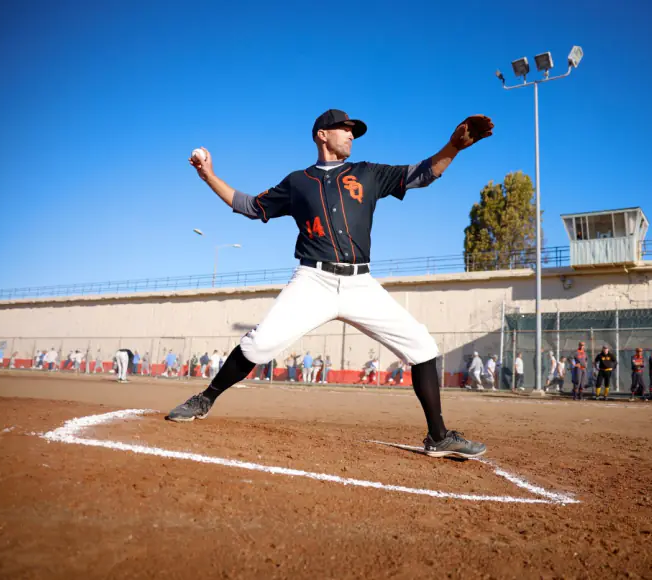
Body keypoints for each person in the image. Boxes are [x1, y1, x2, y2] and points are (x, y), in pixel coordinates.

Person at [165, 109, 491, 458]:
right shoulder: (297, 181)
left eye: (354, 131)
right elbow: (248, 205)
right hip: (313, 280)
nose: (351, 135)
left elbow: (423, 173)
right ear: (322, 135)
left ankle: (438, 436)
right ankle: (205, 398)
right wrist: (208, 175)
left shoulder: (368, 173)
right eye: (345, 129)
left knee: (422, 346)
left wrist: (454, 147)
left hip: (360, 283)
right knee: (259, 345)